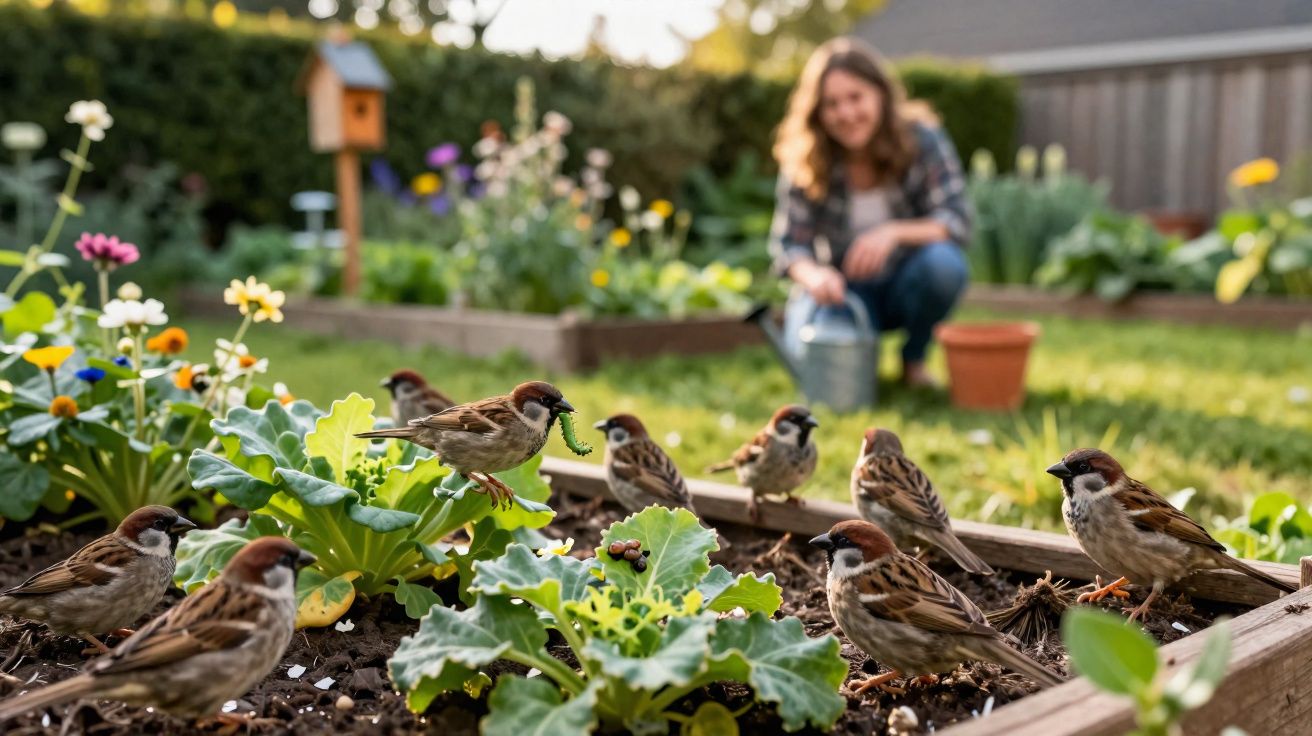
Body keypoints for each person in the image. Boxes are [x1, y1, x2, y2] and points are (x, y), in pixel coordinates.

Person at [770, 37, 971, 388]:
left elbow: (955, 220)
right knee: (815, 356)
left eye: (855, 97)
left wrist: (892, 232)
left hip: (907, 283)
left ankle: (913, 359)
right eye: (832, 104)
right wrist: (815, 277)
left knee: (944, 265)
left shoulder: (922, 140)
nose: (846, 114)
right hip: (844, 292)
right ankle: (861, 358)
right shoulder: (807, 157)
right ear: (817, 111)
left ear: (880, 93)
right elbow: (789, 246)